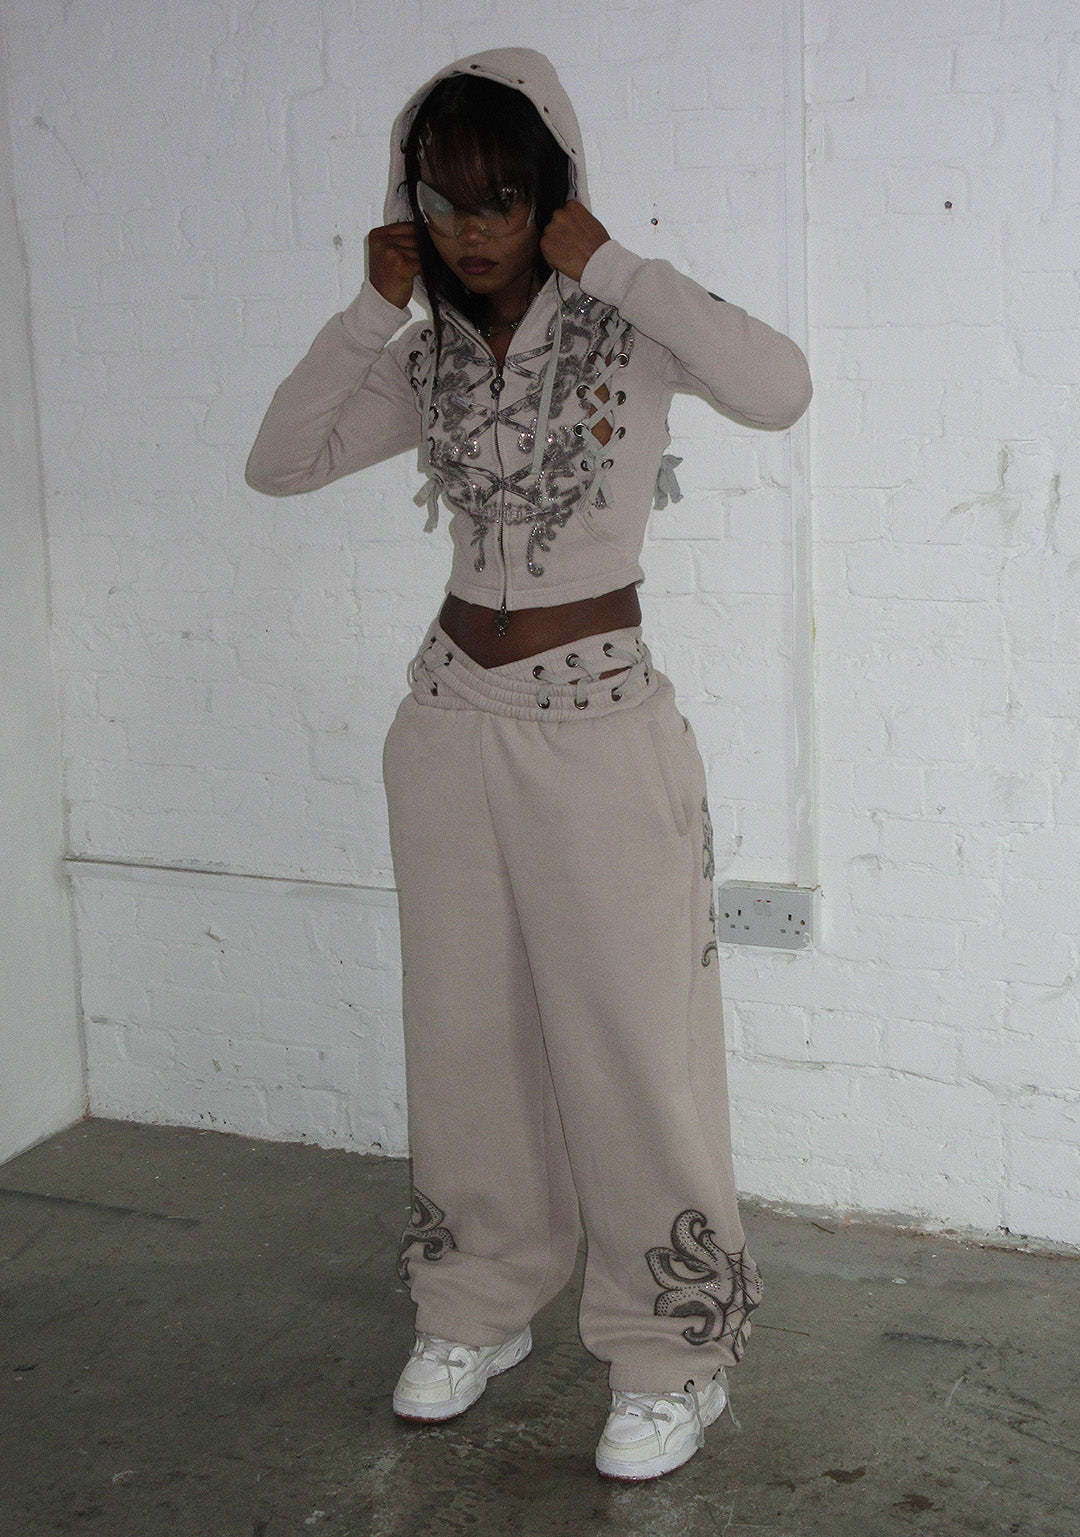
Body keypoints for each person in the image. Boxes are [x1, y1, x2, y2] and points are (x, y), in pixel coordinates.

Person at [245, 47, 811, 1482]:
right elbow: (283, 459)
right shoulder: (430, 354)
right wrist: (371, 310)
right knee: (465, 1033)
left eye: (500, 196)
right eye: (442, 201)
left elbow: (781, 386)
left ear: (551, 192)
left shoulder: (625, 327)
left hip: (601, 728)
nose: (472, 228)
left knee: (632, 1048)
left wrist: (609, 261)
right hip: (449, 726)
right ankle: (477, 1299)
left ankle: (673, 1348)